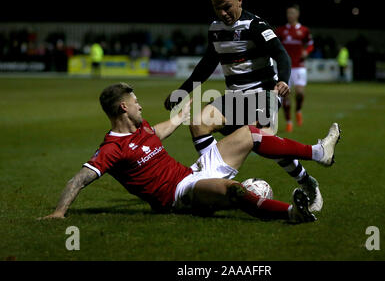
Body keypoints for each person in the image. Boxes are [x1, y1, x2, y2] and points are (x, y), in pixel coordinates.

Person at [39, 83, 340, 222]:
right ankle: (292, 212)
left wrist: (183, 117)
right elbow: (78, 180)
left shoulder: (143, 131)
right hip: (179, 196)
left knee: (249, 133)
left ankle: (319, 152)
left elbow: (167, 127)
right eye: (136, 101)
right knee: (233, 190)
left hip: (194, 172)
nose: (141, 105)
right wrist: (59, 212)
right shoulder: (112, 148)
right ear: (123, 107)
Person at [163, 0, 325, 212]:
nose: (223, 13)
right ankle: (215, 180)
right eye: (217, 8)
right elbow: (207, 64)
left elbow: (282, 55)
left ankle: (307, 182)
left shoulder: (255, 25)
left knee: (262, 139)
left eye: (227, 7)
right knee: (199, 123)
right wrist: (183, 91)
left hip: (263, 93)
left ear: (239, 1)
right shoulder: (216, 29)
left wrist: (283, 80)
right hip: (236, 97)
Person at [275, 4, 314, 132]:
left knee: (300, 93)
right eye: (288, 13)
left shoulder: (304, 30)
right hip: (285, 68)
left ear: (297, 14)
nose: (290, 16)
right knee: (285, 96)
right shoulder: (280, 31)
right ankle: (289, 121)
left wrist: (306, 52)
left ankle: (298, 110)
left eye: (292, 13)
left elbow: (310, 44)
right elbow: (273, 45)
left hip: (299, 67)